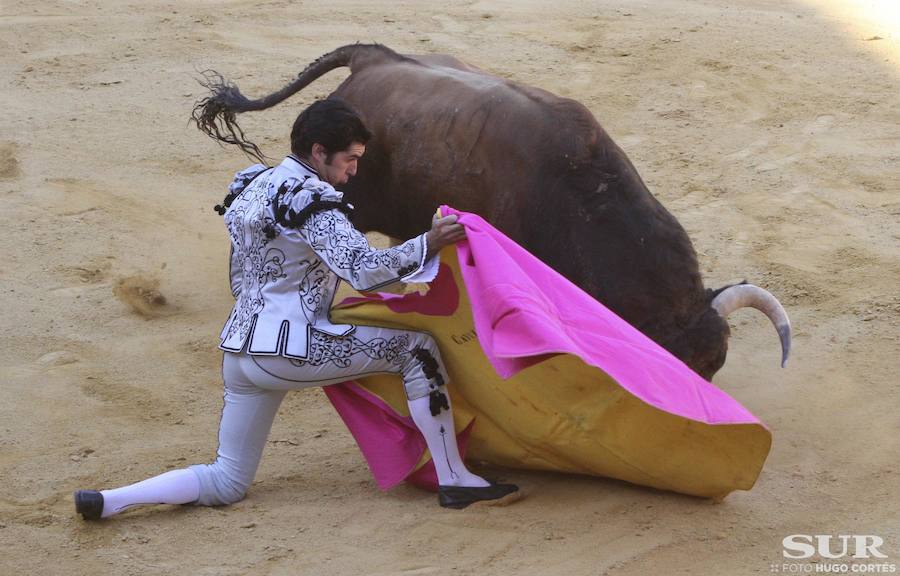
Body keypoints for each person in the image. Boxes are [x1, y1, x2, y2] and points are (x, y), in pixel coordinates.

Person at [74, 99, 518, 519]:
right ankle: (455, 478)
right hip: (292, 351)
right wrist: (430, 242)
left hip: (238, 352)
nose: (352, 171)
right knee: (416, 349)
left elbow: (237, 276)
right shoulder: (310, 199)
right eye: (349, 159)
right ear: (319, 151)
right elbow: (362, 271)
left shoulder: (252, 187)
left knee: (227, 479)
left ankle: (109, 500)